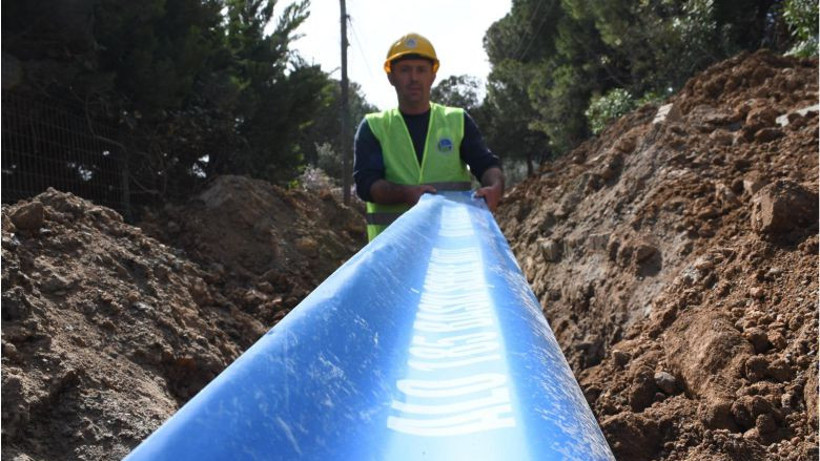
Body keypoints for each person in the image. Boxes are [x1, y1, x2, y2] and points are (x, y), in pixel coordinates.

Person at [353, 32, 505, 241]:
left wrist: (495, 187)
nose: (414, 78)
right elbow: (366, 185)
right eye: (405, 70)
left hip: (451, 245)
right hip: (391, 252)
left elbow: (486, 165)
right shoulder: (374, 127)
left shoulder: (457, 121)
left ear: (432, 76)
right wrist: (405, 193)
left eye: (421, 70)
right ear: (391, 77)